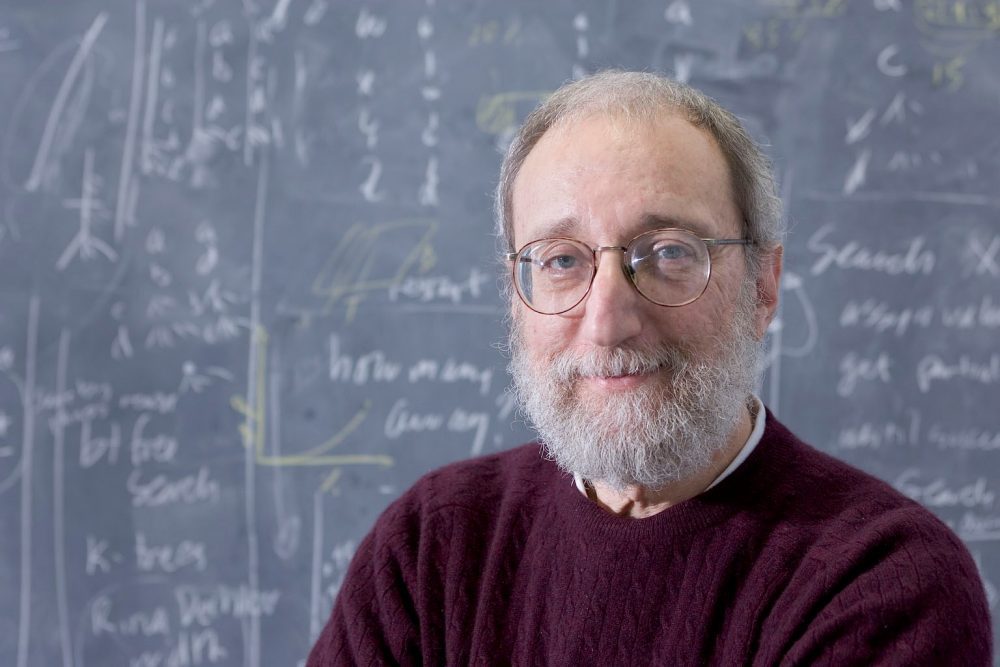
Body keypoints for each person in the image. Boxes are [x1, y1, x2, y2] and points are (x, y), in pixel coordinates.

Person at [307, 70, 992, 665]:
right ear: (516, 294)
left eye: (667, 252)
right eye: (561, 260)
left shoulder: (881, 580)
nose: (607, 319)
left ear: (763, 285)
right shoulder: (432, 546)